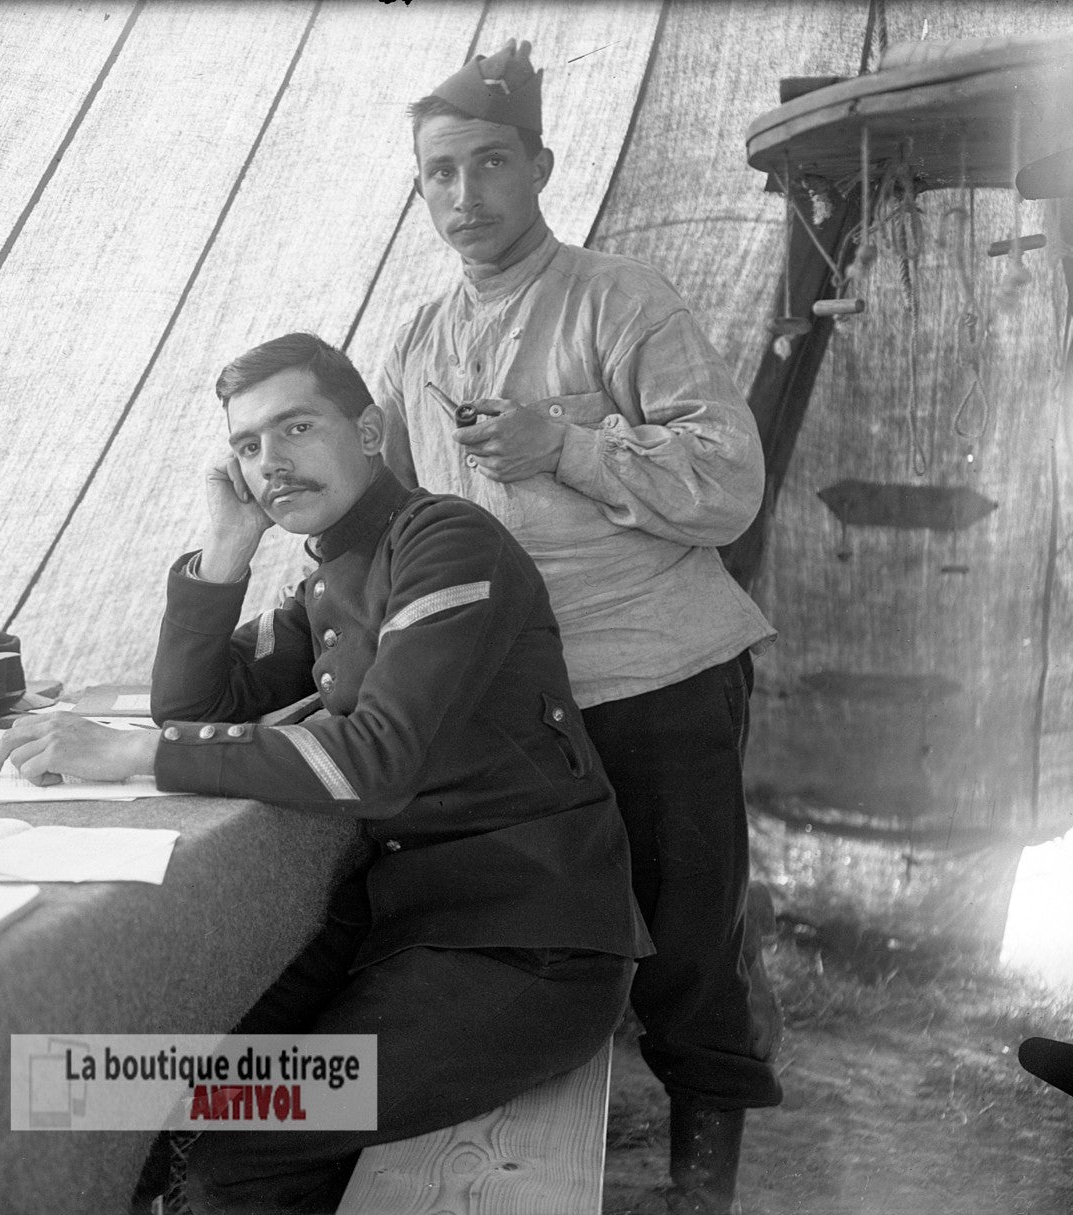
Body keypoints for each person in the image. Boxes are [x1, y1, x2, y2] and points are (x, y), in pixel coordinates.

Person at [0, 331, 651, 1214]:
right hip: (407, 928)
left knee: (238, 1143)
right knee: (119, 1082)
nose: (271, 462)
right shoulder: (326, 579)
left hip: (527, 948)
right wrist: (226, 549)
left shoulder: (447, 542)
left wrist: (131, 752)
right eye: (248, 446)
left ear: (370, 431)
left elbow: (373, 762)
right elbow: (194, 707)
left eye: (296, 428)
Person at [372, 39, 784, 1215]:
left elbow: (729, 483)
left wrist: (569, 446)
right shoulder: (416, 342)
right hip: (519, 710)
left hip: (657, 678)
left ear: (541, 165)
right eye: (441, 172)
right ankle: (548, 1160)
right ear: (420, 187)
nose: (467, 197)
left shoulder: (620, 300)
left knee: (692, 942)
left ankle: (707, 1187)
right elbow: (404, 515)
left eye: (490, 164)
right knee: (554, 936)